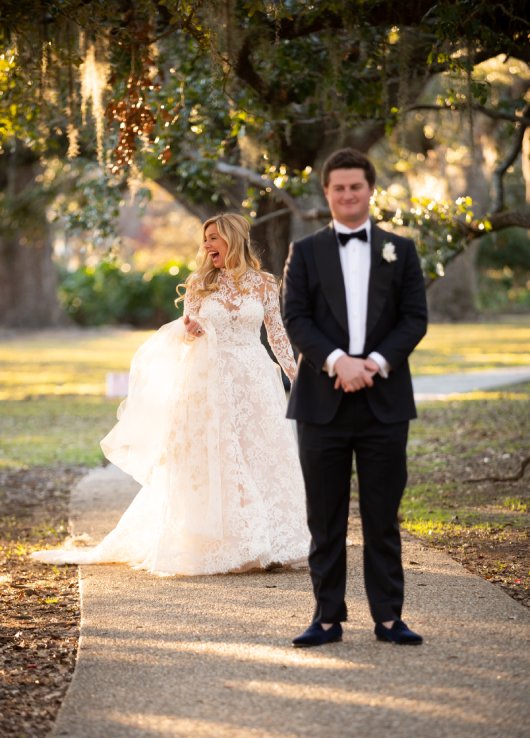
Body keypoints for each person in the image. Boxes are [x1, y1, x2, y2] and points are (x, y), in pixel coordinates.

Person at [32, 213, 310, 575]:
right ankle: (224, 543)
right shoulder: (199, 284)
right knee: (220, 458)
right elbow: (185, 334)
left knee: (260, 454)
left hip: (255, 380)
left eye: (214, 237)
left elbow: (276, 335)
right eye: (205, 238)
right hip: (208, 380)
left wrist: (297, 376)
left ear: (234, 239)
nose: (207, 244)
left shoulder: (264, 283)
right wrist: (190, 330)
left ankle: (270, 541)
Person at [282, 148, 428, 647]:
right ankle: (326, 618)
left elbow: (414, 318)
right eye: (339, 187)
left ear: (370, 190)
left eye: (356, 186)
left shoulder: (400, 250)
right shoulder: (304, 251)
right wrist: (337, 361)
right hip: (321, 405)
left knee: (383, 516)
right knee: (324, 518)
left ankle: (389, 618)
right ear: (327, 194)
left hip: (385, 403)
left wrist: (375, 363)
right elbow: (295, 317)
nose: (348, 194)